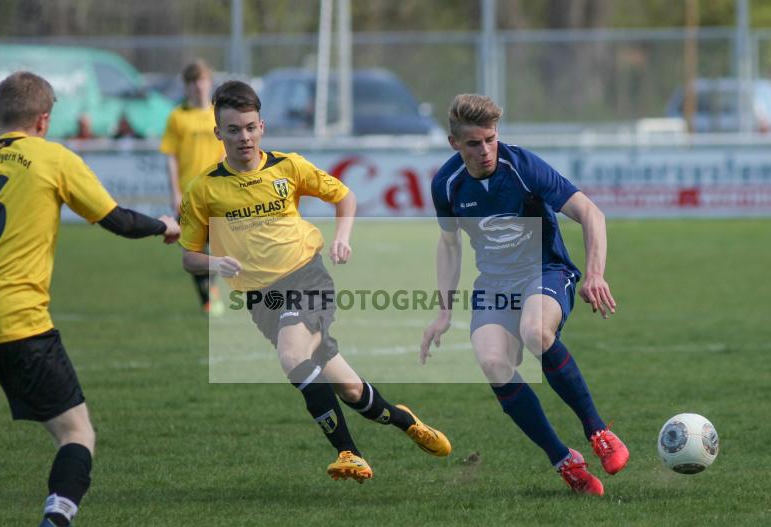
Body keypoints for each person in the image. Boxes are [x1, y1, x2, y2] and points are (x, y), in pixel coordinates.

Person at [0, 72, 180, 527]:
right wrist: (162, 226)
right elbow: (117, 220)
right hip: (22, 324)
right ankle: (58, 520)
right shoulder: (55, 158)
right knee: (77, 432)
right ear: (44, 119)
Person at [179, 80, 451, 482]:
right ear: (218, 132)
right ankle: (402, 419)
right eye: (233, 130)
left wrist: (342, 238)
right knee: (350, 390)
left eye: (251, 127)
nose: (244, 137)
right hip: (262, 300)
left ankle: (350, 453)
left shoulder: (288, 166)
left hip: (307, 277)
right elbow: (188, 256)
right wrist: (216, 263)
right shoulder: (204, 189)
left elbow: (345, 197)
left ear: (262, 126)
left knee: (292, 356)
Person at [421, 94, 628, 496]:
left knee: (535, 332)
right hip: (495, 285)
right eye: (473, 143)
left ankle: (598, 431)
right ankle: (564, 460)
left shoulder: (523, 167)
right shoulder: (446, 184)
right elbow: (449, 244)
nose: (485, 150)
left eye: (491, 139)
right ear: (454, 144)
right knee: (493, 362)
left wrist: (595, 274)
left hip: (545, 272)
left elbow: (591, 213)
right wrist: (444, 311)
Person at [160, 59, 226, 315]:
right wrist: (175, 192)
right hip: (188, 195)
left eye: (203, 80)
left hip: (216, 192)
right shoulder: (177, 117)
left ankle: (213, 283)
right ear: (187, 86)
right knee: (194, 248)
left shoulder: (218, 114)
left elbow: (226, 153)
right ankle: (207, 298)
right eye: (193, 81)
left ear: (209, 82)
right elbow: (170, 156)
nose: (199, 86)